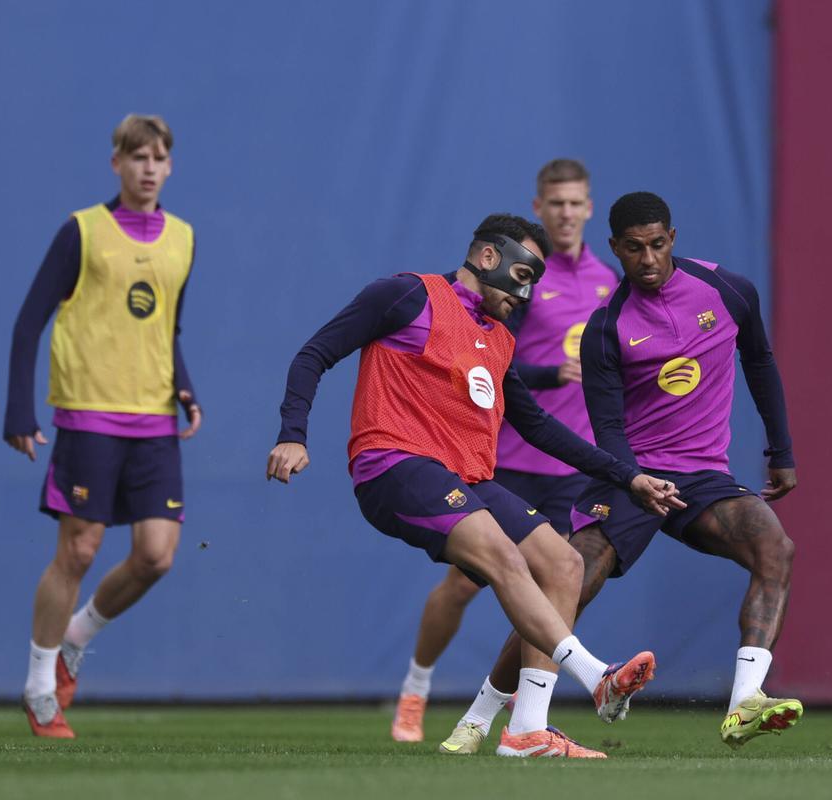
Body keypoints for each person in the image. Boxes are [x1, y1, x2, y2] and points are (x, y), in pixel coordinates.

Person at [267, 213, 684, 758]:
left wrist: (627, 476)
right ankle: (595, 676)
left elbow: (537, 426)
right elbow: (313, 354)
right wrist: (292, 434)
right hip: (394, 464)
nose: (528, 289)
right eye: (524, 271)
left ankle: (527, 731)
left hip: (468, 478)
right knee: (504, 559)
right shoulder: (406, 295)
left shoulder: (500, 339)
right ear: (488, 257)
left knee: (563, 564)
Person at [441, 192, 803, 753]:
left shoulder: (728, 291)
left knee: (775, 549)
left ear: (672, 238)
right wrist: (635, 480)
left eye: (658, 244)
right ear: (616, 249)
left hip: (704, 478)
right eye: (634, 249)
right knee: (566, 588)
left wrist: (781, 450)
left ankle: (744, 704)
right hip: (629, 476)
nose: (649, 259)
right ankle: (478, 717)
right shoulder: (606, 329)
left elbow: (760, 361)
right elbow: (607, 431)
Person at [391, 159, 620, 743]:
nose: (567, 213)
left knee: (561, 579)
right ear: (540, 208)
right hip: (505, 456)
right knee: (469, 582)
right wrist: (550, 373)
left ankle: (513, 723)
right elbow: (491, 363)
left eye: (576, 203)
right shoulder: (521, 278)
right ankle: (415, 692)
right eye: (557, 203)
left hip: (568, 464)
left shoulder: (606, 282)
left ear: (589, 209)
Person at [4, 114, 202, 738]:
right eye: (136, 156)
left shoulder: (183, 238)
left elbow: (164, 328)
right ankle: (40, 687)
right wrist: (19, 410)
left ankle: (74, 641)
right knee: (80, 548)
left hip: (153, 418)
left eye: (158, 157)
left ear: (170, 167)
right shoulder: (81, 231)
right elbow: (29, 321)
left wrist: (185, 386)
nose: (148, 167)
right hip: (88, 412)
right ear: (115, 163)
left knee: (156, 555)